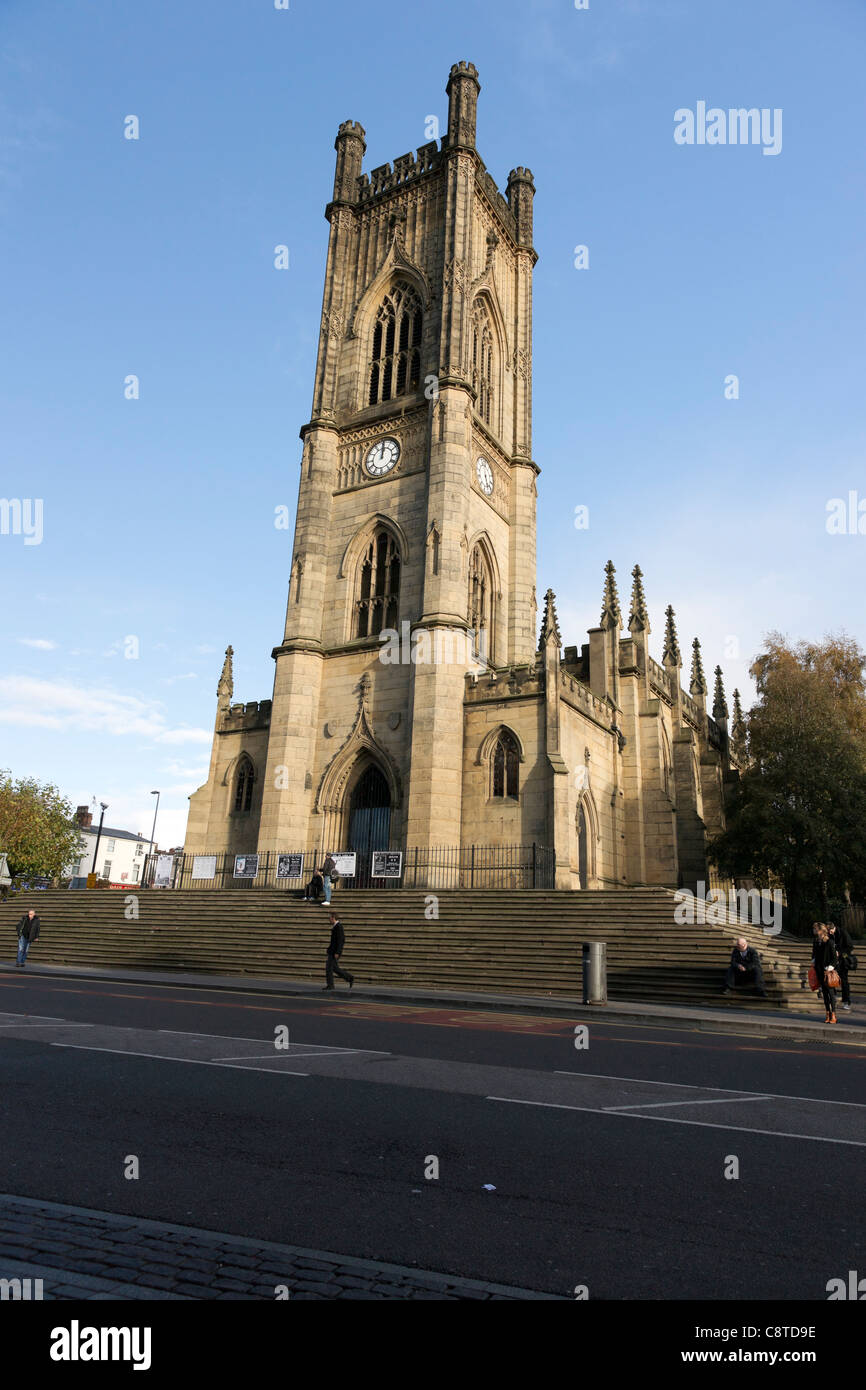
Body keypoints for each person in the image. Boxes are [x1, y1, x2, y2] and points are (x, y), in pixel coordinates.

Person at [812, 924, 839, 1023]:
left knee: (830, 993)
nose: (813, 930)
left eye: (815, 929)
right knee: (824, 993)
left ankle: (833, 1014)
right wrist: (813, 960)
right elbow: (814, 954)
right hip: (819, 970)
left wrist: (830, 967)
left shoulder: (829, 942)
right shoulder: (816, 941)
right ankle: (827, 1013)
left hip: (827, 971)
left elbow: (835, 958)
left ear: (820, 930)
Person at [323, 911, 353, 991]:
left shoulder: (339, 927)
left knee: (329, 968)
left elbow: (341, 940)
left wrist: (338, 952)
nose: (329, 919)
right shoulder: (335, 926)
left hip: (335, 952)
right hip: (332, 951)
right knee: (334, 968)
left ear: (333, 918)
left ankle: (330, 985)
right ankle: (349, 977)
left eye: (329, 917)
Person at [826, 922, 852, 1013]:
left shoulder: (843, 933)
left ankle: (846, 1002)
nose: (830, 933)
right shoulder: (829, 934)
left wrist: (840, 953)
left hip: (842, 961)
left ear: (834, 928)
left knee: (844, 981)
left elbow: (850, 947)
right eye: (828, 931)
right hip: (833, 961)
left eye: (831, 931)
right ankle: (833, 998)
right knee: (831, 980)